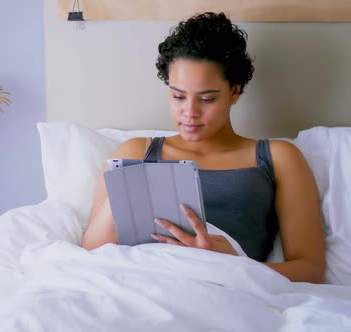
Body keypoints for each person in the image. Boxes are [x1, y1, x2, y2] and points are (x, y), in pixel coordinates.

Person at [81, 12, 325, 283]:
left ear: (235, 91)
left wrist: (231, 263)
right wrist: (129, 192)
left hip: (227, 289)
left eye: (207, 99)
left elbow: (310, 269)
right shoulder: (136, 153)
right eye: (178, 96)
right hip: (143, 281)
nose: (189, 113)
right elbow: (91, 255)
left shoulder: (278, 157)